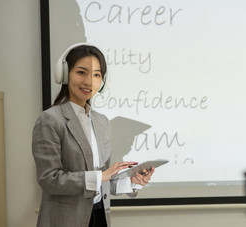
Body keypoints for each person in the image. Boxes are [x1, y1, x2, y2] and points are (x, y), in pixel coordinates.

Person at [32, 43, 155, 227]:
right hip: (64, 221)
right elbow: (50, 180)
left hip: (99, 217)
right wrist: (100, 176)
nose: (89, 81)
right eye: (81, 72)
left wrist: (132, 181)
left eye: (97, 75)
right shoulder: (50, 120)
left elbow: (102, 180)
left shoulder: (101, 121)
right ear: (65, 74)